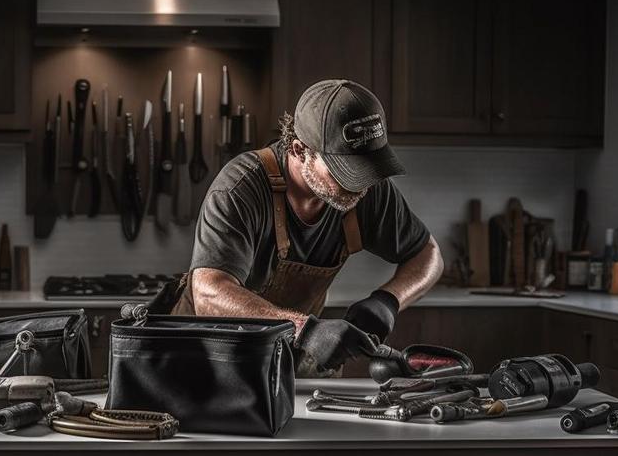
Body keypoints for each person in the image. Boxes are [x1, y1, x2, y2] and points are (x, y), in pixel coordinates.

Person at [167, 79, 443, 375]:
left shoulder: (366, 191)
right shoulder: (240, 189)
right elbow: (209, 293)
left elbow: (429, 255)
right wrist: (304, 330)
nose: (361, 186)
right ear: (300, 150)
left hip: (286, 367)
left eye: (367, 169)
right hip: (205, 365)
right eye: (346, 172)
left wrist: (388, 300)